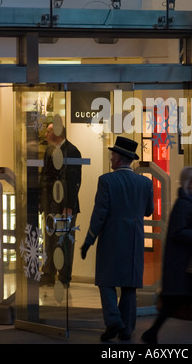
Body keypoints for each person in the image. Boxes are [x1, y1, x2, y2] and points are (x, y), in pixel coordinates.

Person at [81, 136, 154, 342]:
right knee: (129, 286)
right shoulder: (144, 183)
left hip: (111, 239)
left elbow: (99, 215)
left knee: (106, 281)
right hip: (134, 240)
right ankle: (126, 329)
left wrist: (89, 240)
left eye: (112, 155)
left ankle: (113, 320)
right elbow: (149, 210)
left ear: (120, 158)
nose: (111, 158)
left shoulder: (106, 181)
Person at [141, 166, 192, 345]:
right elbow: (177, 232)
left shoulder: (189, 201)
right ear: (189, 182)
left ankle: (153, 333)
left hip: (186, 262)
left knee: (187, 302)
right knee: (186, 302)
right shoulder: (184, 204)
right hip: (182, 263)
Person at [39, 123, 82, 287]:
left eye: (49, 131)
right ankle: (48, 273)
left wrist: (69, 205)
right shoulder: (49, 151)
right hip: (50, 203)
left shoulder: (72, 151)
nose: (46, 134)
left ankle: (64, 277)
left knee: (65, 240)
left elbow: (75, 180)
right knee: (49, 239)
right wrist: (41, 202)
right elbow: (45, 177)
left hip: (64, 205)